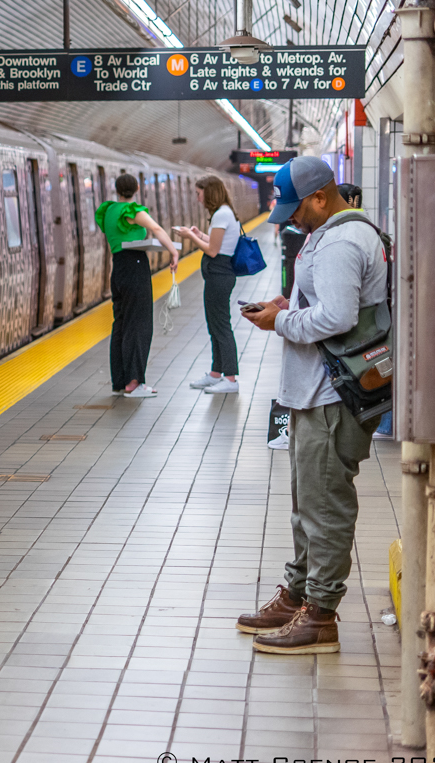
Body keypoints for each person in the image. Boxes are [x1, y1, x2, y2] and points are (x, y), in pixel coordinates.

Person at [237, 156, 387, 655]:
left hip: (332, 395)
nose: (290, 219)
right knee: (307, 501)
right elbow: (323, 305)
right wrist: (286, 307)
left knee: (324, 505)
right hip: (313, 392)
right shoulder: (330, 234)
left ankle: (320, 613)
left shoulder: (343, 240)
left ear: (320, 197)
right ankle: (298, 592)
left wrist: (278, 323)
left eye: (295, 209)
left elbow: (339, 316)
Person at [94, 173, 180, 398]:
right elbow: (158, 230)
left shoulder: (108, 211)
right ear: (137, 189)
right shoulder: (132, 211)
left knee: (121, 324)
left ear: (117, 189)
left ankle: (120, 382)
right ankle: (135, 382)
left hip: (118, 269)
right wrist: (173, 251)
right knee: (139, 323)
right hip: (135, 267)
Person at [173, 176, 241, 395]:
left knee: (221, 325)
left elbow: (212, 251)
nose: (197, 198)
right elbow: (216, 243)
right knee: (214, 324)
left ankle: (230, 379)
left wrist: (190, 238)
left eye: (198, 193)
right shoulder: (224, 213)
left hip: (219, 273)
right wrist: (198, 234)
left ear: (209, 193)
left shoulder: (221, 214)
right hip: (218, 274)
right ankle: (216, 373)